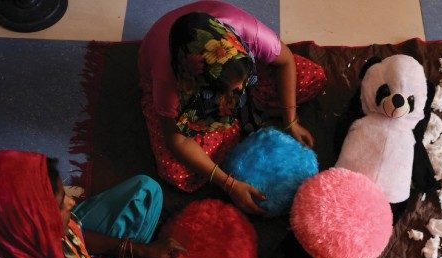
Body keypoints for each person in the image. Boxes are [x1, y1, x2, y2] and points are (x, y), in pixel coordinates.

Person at [138, 1, 326, 214]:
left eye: (242, 84)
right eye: (228, 91)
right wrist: (228, 184)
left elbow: (285, 61)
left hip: (227, 74)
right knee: (179, 173)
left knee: (312, 78)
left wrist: (291, 120)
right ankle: (236, 119)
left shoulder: (245, 32)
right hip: (182, 86)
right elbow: (176, 139)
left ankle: (235, 120)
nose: (237, 93)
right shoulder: (169, 79)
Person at [0, 150, 187, 258]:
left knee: (145, 191)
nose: (72, 203)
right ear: (33, 229)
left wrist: (139, 249)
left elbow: (73, 231)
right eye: (62, 204)